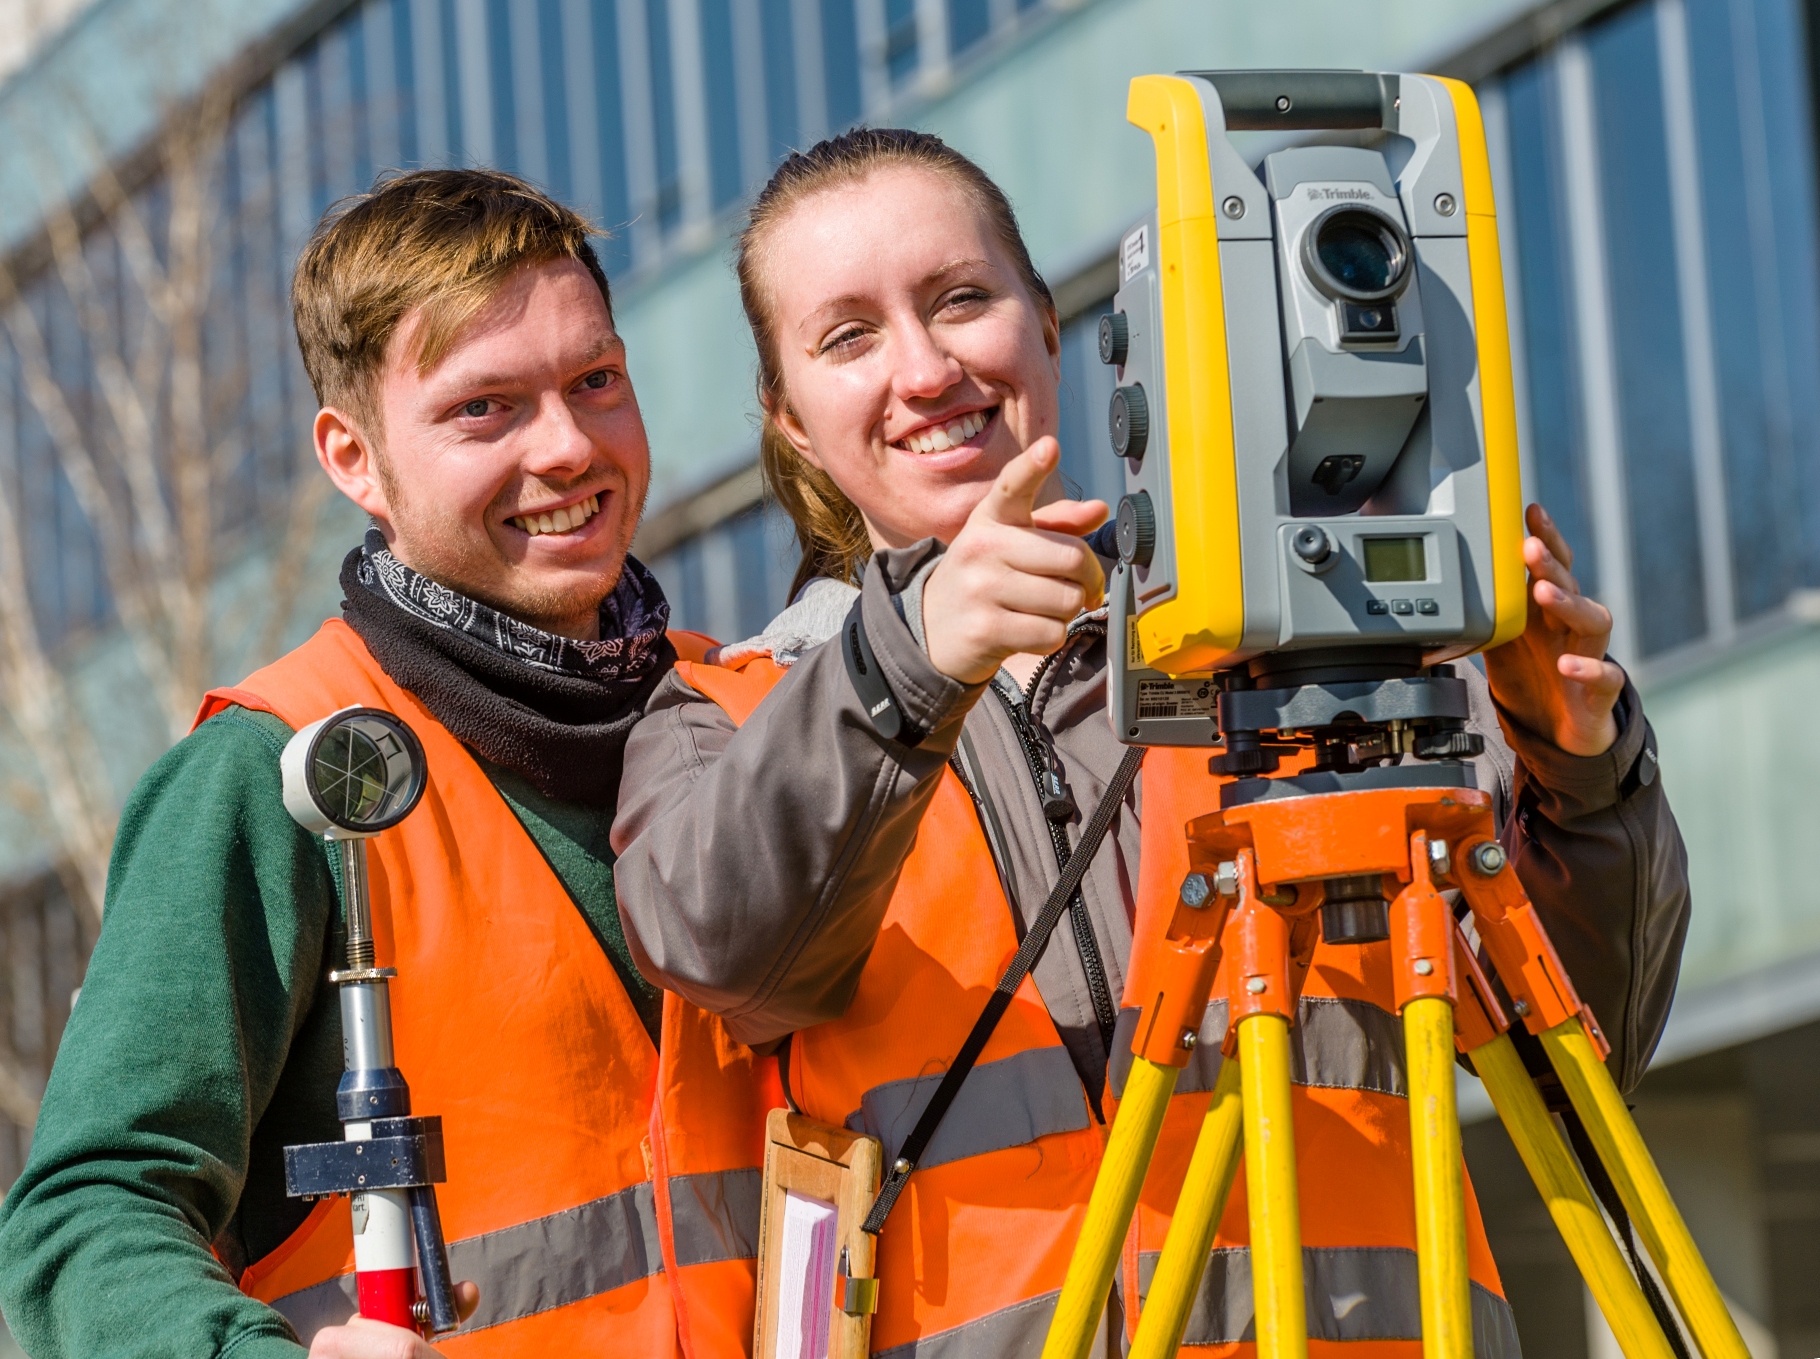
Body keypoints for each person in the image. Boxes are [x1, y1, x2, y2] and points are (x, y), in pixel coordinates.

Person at [612, 129, 1691, 1355]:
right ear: (790, 419)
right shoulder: (725, 710)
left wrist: (1580, 772)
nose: (923, 368)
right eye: (847, 336)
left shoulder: (1303, 651)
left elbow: (1581, 1062)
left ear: (1051, 329)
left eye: (962, 299)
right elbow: (728, 953)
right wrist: (908, 664)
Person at [0, 169, 776, 1359]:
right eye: (485, 410)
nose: (568, 447)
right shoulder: (266, 775)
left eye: (594, 381)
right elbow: (81, 1222)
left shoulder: (740, 713)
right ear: (353, 460)